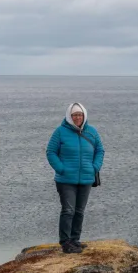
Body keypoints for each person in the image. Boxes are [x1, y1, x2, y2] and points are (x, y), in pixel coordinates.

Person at [46, 102, 105, 254]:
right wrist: (61, 169)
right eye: (75, 115)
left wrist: (94, 167)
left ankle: (75, 240)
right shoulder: (60, 132)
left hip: (86, 178)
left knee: (79, 211)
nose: (77, 117)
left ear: (84, 116)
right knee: (68, 210)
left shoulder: (92, 131)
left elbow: (100, 150)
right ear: (69, 116)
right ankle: (65, 243)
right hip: (65, 180)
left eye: (80, 115)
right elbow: (51, 152)